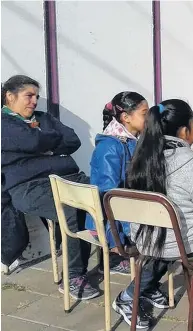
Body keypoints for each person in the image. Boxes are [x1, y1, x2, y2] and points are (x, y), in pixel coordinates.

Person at [113, 99, 193, 328]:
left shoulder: (139, 158)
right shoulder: (190, 163)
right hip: (180, 243)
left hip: (146, 239)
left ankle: (129, 296)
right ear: (185, 130)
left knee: (175, 243)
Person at [1, 75, 99, 299]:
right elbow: (31, 142)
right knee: (72, 210)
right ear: (9, 96)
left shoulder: (43, 118)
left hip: (68, 177)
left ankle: (112, 256)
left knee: (105, 194)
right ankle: (74, 276)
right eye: (29, 96)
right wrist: (46, 141)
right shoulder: (4, 123)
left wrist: (39, 140)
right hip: (28, 187)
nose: (34, 101)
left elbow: (73, 140)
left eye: (36, 96)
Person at [85, 92, 149, 276]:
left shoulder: (133, 139)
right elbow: (108, 195)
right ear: (126, 118)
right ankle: (141, 283)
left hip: (128, 211)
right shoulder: (110, 146)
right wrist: (127, 232)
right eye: (145, 113)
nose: (149, 118)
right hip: (111, 223)